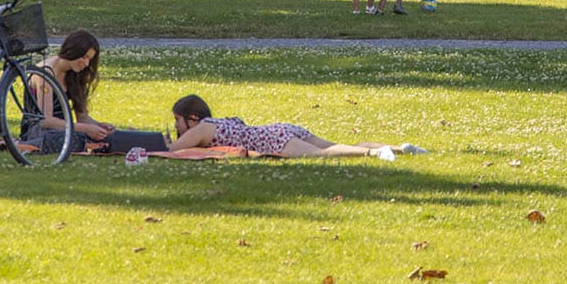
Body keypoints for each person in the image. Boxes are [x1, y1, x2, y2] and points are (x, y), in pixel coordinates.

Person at [164, 94, 419, 160]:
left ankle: (373, 153)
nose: (177, 125)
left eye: (178, 120)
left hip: (272, 140)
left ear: (193, 117)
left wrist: (164, 143)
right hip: (281, 129)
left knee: (323, 155)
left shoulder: (201, 129)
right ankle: (400, 147)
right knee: (334, 145)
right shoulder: (218, 123)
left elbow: (173, 150)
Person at [26, 30, 120, 151]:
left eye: (89, 60)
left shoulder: (75, 74)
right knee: (77, 137)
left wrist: (98, 126)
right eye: (84, 57)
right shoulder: (45, 72)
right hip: (39, 133)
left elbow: (83, 118)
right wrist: (85, 129)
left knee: (108, 136)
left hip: (65, 130)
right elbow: (45, 121)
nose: (86, 64)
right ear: (72, 51)